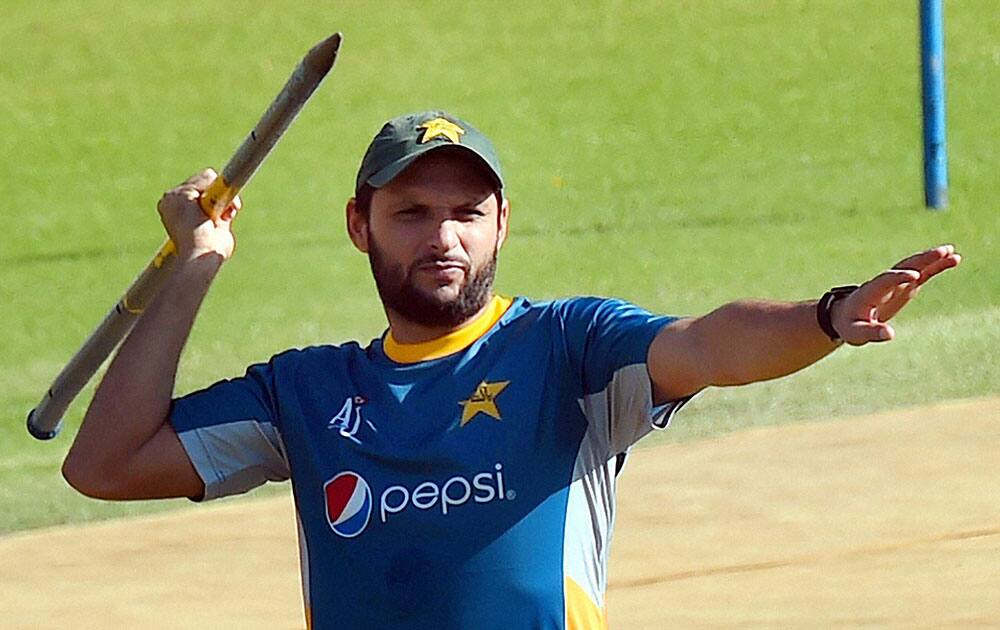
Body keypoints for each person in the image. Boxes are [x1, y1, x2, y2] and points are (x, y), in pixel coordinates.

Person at [62, 110, 961, 629]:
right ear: (357, 225)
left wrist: (827, 316)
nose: (443, 236)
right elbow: (103, 465)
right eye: (411, 211)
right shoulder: (302, 393)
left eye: (467, 211)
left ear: (501, 224)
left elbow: (710, 346)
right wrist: (193, 266)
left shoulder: (567, 349)